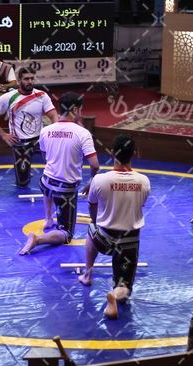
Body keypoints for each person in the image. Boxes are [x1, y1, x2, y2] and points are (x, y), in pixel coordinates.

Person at [78, 134, 150, 320]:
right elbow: (140, 206)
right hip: (129, 243)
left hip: (105, 239)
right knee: (125, 290)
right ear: (134, 153)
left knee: (92, 228)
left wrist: (100, 219)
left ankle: (88, 274)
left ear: (112, 153)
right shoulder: (144, 181)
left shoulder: (99, 180)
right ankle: (115, 295)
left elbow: (92, 209)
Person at [18, 92, 100, 255]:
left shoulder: (46, 130)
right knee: (66, 234)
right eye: (80, 110)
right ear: (75, 110)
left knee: (49, 178)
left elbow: (45, 158)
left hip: (45, 183)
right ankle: (37, 239)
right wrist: (92, 182)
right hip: (65, 189)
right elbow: (95, 165)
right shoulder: (82, 133)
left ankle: (49, 219)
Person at [0, 67, 58, 187]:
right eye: (26, 79)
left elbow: (54, 115)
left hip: (40, 140)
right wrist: (3, 135)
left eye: (32, 79)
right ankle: (25, 172)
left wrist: (56, 134)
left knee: (56, 168)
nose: (30, 81)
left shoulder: (42, 95)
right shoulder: (9, 97)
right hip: (20, 143)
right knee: (22, 183)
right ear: (19, 81)